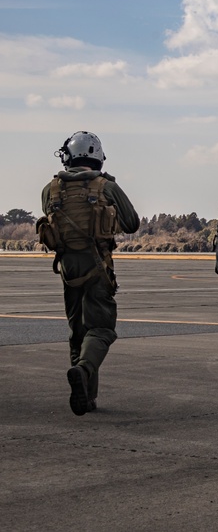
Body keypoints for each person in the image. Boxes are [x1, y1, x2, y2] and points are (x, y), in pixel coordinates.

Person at [38, 131, 140, 416]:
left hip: (68, 267)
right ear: (96, 157)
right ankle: (83, 370)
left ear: (69, 156)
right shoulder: (105, 186)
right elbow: (132, 223)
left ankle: (87, 395)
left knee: (77, 330)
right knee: (102, 328)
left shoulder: (51, 188)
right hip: (98, 265)